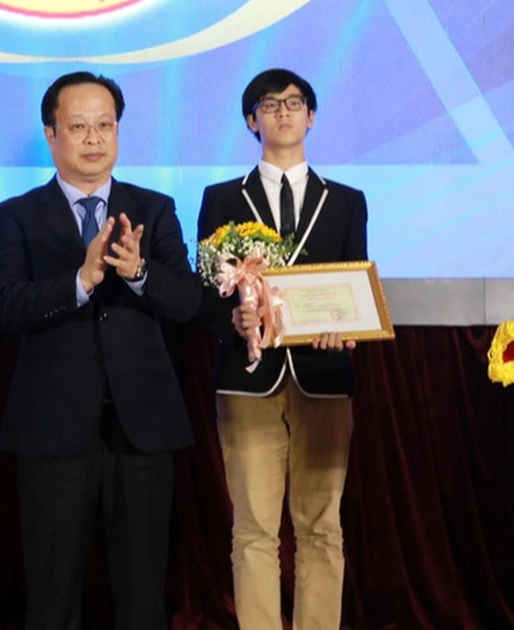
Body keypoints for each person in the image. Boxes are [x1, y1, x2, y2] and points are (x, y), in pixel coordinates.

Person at [0, 71, 200, 629]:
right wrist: (78, 281)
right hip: (53, 431)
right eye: (78, 126)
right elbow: (4, 306)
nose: (93, 138)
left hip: (143, 430)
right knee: (53, 598)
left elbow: (187, 301)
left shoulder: (154, 208)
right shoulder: (16, 216)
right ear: (51, 134)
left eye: (105, 125)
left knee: (143, 596)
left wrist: (138, 272)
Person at [195, 68, 367, 630]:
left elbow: (352, 288)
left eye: (295, 103)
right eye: (270, 104)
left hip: (324, 374)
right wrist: (236, 318)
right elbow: (205, 296)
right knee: (253, 530)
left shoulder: (345, 201)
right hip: (248, 380)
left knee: (322, 527)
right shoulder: (221, 198)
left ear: (312, 116)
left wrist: (344, 326)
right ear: (252, 120)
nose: (285, 112)